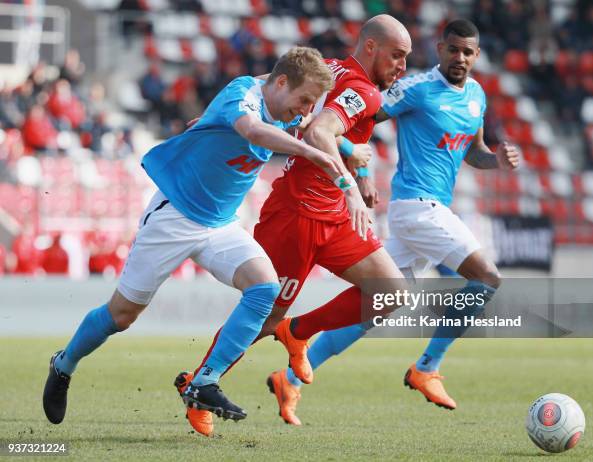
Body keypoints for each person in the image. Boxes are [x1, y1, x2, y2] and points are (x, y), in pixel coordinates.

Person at [42, 46, 354, 426]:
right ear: (282, 82)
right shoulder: (243, 95)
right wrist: (313, 154)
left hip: (219, 224)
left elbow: (308, 126)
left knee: (264, 289)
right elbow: (253, 130)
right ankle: (64, 364)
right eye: (304, 100)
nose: (305, 110)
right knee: (121, 315)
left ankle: (204, 382)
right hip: (174, 216)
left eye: (311, 104)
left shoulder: (284, 106)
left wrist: (350, 148)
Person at [264, 18, 520, 424]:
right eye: (453, 49)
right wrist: (357, 170)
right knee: (487, 278)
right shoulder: (415, 88)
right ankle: (427, 367)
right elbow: (358, 118)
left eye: (468, 52)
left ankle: (289, 379)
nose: (460, 58)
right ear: (439, 49)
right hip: (417, 207)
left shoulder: (476, 97)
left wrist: (496, 161)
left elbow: (475, 152)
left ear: (476, 55)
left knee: (375, 305)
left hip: (426, 213)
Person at [176, 14, 412, 435]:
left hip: (334, 217)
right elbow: (322, 132)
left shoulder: (334, 69)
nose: (402, 67)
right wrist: (353, 189)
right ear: (372, 47)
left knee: (390, 292)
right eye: (397, 55)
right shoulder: (363, 91)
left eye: (407, 58)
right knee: (264, 316)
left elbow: (324, 123)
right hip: (298, 216)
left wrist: (360, 176)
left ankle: (299, 331)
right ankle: (199, 382)